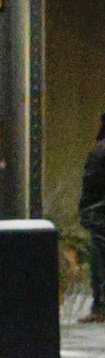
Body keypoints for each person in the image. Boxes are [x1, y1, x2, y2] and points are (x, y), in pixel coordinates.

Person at [81, 110, 105, 315]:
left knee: (100, 260)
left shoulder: (99, 152)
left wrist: (85, 212)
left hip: (100, 216)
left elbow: (91, 187)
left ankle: (100, 306)